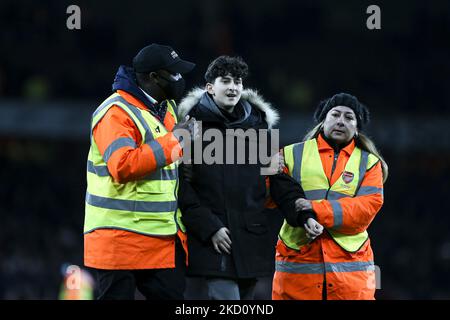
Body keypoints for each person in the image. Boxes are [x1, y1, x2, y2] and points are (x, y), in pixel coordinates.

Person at [83, 43, 198, 300]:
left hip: (159, 239)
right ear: (154, 77)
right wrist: (176, 140)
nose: (180, 79)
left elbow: (167, 163)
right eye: (174, 73)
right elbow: (122, 165)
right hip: (119, 239)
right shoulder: (115, 112)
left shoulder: (166, 109)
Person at [177, 55, 280, 300]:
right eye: (226, 81)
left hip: (250, 238)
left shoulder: (260, 127)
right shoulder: (188, 127)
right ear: (210, 87)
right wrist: (209, 227)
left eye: (238, 81)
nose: (233, 87)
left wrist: (301, 210)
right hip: (211, 239)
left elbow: (275, 180)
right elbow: (178, 185)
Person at [270, 92, 388, 300]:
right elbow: (266, 197)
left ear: (357, 128)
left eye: (349, 117)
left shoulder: (370, 163)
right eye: (335, 115)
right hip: (298, 271)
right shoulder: (288, 154)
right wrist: (264, 169)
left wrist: (313, 209)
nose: (341, 121)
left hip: (350, 280)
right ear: (323, 120)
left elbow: (365, 210)